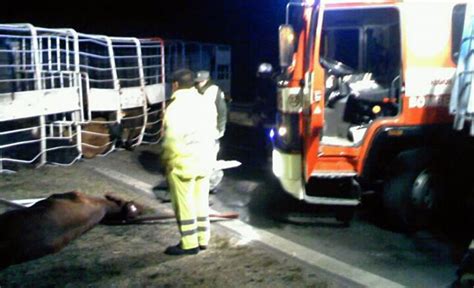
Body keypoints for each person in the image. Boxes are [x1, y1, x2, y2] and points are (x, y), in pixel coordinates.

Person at [161, 69, 216, 255]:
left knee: (184, 204)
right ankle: (203, 239)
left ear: (175, 85)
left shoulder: (175, 107)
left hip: (183, 163)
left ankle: (189, 243)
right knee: (201, 201)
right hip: (204, 160)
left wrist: (167, 160)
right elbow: (212, 131)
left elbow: (171, 139)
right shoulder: (204, 101)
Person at [195, 70, 228, 192]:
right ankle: (202, 184)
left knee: (210, 161)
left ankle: (211, 185)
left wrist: (221, 129)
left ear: (207, 80)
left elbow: (222, 111)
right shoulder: (195, 91)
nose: (199, 84)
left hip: (211, 131)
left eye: (201, 81)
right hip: (198, 132)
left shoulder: (215, 91)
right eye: (198, 81)